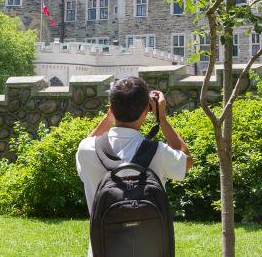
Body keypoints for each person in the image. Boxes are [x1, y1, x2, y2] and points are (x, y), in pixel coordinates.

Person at [76, 76, 193, 255]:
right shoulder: (158, 152)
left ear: (111, 109)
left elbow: (89, 140)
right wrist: (162, 118)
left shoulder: (87, 150)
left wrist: (109, 118)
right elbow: (187, 160)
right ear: (147, 110)